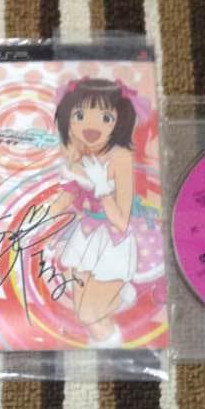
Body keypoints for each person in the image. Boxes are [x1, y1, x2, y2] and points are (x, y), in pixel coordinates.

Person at [46, 77, 163, 347]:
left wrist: (101, 187)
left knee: (89, 315)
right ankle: (111, 341)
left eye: (106, 117)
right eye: (80, 115)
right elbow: (68, 195)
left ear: (119, 121)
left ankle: (115, 347)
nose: (91, 126)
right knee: (85, 315)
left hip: (115, 240)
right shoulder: (76, 155)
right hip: (85, 236)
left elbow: (121, 221)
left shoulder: (120, 157)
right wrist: (36, 222)